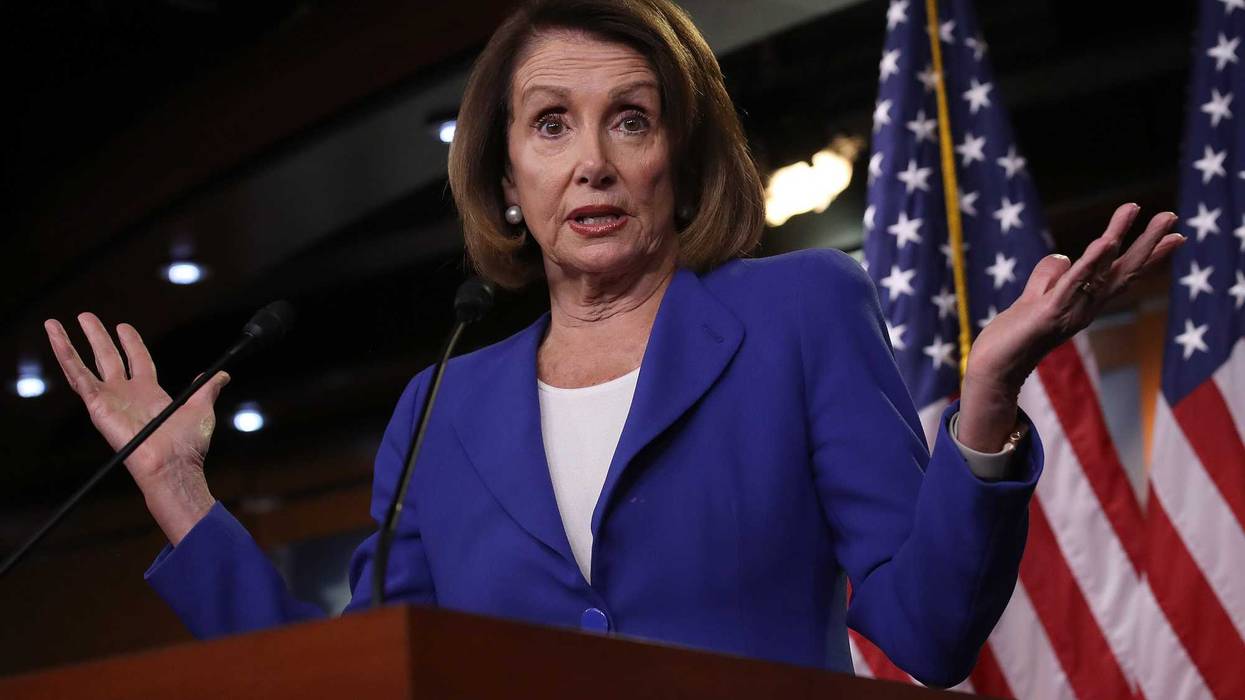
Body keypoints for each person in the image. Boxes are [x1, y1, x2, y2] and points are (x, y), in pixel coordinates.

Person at [43, 0, 1182, 687]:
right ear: (505, 175)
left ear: (675, 161)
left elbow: (929, 631)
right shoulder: (438, 406)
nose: (590, 159)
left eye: (628, 119)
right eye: (550, 124)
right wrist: (181, 491)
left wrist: (985, 405)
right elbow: (360, 674)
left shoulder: (800, 314)